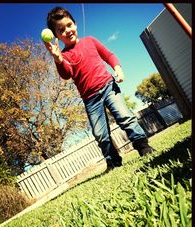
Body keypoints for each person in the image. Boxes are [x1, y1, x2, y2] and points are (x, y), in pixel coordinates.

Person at [43, 6, 154, 171]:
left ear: (75, 24)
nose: (67, 30)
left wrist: (117, 68)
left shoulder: (90, 41)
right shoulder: (64, 55)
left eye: (69, 25)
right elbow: (67, 74)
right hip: (90, 98)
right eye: (61, 30)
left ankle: (143, 146)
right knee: (100, 134)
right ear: (56, 36)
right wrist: (58, 59)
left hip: (108, 86)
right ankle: (113, 161)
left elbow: (108, 55)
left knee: (125, 117)